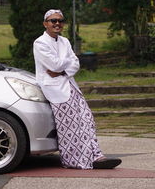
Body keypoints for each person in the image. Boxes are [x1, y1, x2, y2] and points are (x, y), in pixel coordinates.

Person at [33, 9, 122, 169]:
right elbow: (55, 64)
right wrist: (64, 63)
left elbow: (75, 64)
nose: (57, 24)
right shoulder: (40, 43)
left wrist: (62, 69)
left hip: (69, 85)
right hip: (55, 89)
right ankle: (75, 160)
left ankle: (96, 155)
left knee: (87, 120)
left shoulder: (65, 41)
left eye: (60, 21)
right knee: (70, 127)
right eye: (53, 21)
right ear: (45, 23)